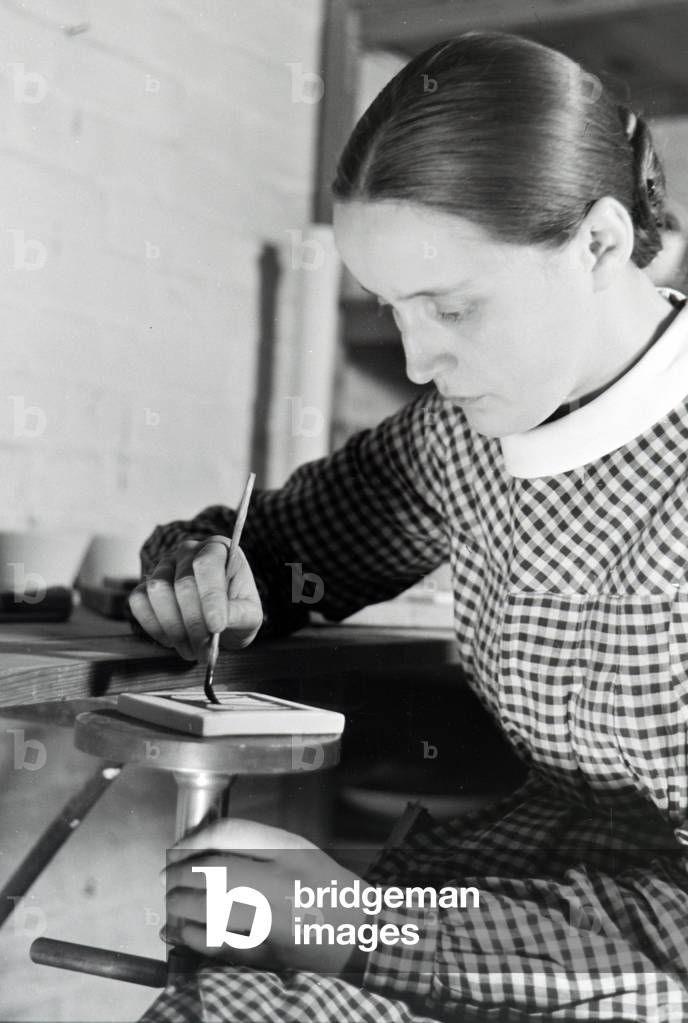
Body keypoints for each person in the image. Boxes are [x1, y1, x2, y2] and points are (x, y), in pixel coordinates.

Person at [130, 30, 688, 1023]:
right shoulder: (459, 437)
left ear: (599, 242)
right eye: (393, 311)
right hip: (508, 910)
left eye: (454, 307)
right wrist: (208, 572)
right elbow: (281, 552)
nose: (420, 359)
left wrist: (361, 925)